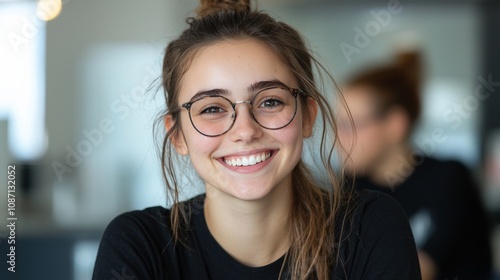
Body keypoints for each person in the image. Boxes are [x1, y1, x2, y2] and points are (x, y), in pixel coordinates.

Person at [92, 1, 421, 279]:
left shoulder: (369, 229)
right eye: (212, 108)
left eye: (270, 101)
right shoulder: (137, 244)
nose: (245, 130)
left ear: (308, 116)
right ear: (177, 134)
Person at [338, 51, 492, 280]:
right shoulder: (350, 187)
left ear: (394, 125)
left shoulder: (448, 179)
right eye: (337, 125)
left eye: (351, 125)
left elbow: (417, 271)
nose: (338, 138)